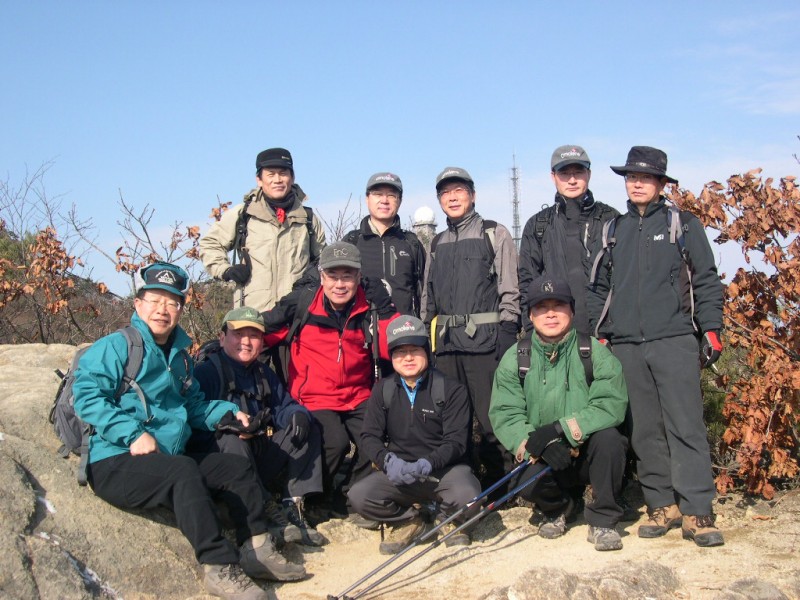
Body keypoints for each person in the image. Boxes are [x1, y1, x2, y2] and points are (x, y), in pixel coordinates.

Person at [72, 262, 305, 600]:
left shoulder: (179, 357)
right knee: (183, 470)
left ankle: (256, 548)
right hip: (114, 459)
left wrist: (228, 413)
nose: (162, 310)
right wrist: (132, 434)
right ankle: (219, 566)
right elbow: (87, 396)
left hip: (164, 459)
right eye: (155, 300)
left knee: (235, 467)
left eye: (171, 303)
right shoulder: (117, 346)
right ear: (138, 304)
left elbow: (193, 405)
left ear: (181, 309)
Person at [587, 146, 725, 547]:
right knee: (644, 429)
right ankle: (662, 504)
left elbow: (706, 278)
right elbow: (598, 287)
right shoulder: (614, 229)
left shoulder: (683, 224)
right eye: (631, 177)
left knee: (685, 425)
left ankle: (697, 509)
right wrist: (601, 332)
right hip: (627, 344)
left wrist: (711, 329)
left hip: (675, 338)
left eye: (645, 177)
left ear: (662, 183)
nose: (637, 184)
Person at [261, 241, 399, 519]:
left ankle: (348, 496)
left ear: (359, 277)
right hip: (314, 395)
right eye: (333, 276)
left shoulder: (370, 305)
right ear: (322, 277)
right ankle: (317, 499)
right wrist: (228, 343)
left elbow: (390, 347)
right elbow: (263, 335)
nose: (340, 284)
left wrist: (386, 310)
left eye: (347, 276)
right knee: (334, 442)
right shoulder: (302, 305)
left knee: (376, 439)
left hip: (359, 394)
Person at [490, 276, 629, 551]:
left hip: (587, 454)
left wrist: (560, 431)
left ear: (572, 311)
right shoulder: (516, 357)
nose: (550, 314)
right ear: (531, 315)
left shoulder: (594, 352)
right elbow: (506, 414)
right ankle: (559, 509)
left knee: (611, 441)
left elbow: (610, 404)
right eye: (541, 307)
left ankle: (603, 519)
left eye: (559, 306)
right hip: (546, 458)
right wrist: (535, 444)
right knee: (526, 481)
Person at [421, 166, 520, 494]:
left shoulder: (494, 233)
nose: (452, 197)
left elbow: (510, 288)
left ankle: (504, 485)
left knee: (492, 420)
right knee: (453, 423)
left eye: (459, 190)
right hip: (447, 347)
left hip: (485, 345)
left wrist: (508, 333)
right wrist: (425, 340)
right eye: (445, 193)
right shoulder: (436, 243)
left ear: (472, 195)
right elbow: (428, 296)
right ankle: (462, 486)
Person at [192, 306, 326, 547]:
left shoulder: (263, 373)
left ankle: (292, 506)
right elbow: (192, 416)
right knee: (230, 439)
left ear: (262, 342)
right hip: (224, 464)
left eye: (254, 336)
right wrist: (229, 424)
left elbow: (283, 406)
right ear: (222, 337)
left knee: (308, 425)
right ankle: (263, 510)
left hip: (258, 453)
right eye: (238, 334)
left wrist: (297, 414)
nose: (246, 342)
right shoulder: (206, 372)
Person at [348, 315, 482, 554]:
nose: (408, 358)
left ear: (426, 352)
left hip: (444, 472)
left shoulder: (452, 389)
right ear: (391, 356)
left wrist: (428, 463)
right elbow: (369, 436)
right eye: (400, 352)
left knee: (469, 497)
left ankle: (447, 518)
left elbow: (456, 442)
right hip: (399, 473)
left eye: (415, 350)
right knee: (359, 496)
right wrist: (387, 461)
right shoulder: (383, 390)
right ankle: (409, 520)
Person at [199, 147, 327, 312]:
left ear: (292, 177)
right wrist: (226, 270)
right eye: (271, 174)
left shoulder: (308, 218)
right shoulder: (243, 214)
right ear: (259, 179)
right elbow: (210, 244)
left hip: (297, 316)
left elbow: (323, 263)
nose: (277, 180)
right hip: (253, 316)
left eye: (283, 173)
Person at [518, 145, 618, 334]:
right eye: (564, 173)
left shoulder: (611, 219)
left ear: (589, 174)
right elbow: (526, 284)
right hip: (553, 336)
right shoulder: (538, 225)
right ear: (553, 176)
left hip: (604, 334)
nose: (572, 180)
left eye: (578, 172)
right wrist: (532, 333)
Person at [342, 172, 426, 316]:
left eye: (391, 195)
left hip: (404, 327)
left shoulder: (411, 243)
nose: (384, 200)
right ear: (367, 199)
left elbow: (424, 293)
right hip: (362, 327)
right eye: (378, 194)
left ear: (400, 201)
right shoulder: (352, 242)